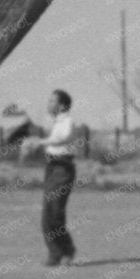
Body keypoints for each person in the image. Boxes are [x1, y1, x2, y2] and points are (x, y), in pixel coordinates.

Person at [38, 89, 78, 267]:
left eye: (52, 101)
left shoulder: (68, 121)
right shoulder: (54, 123)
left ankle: (66, 250)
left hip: (63, 168)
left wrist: (39, 142)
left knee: (54, 212)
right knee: (48, 214)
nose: (48, 104)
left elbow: (62, 138)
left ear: (62, 105)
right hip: (52, 168)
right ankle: (55, 253)